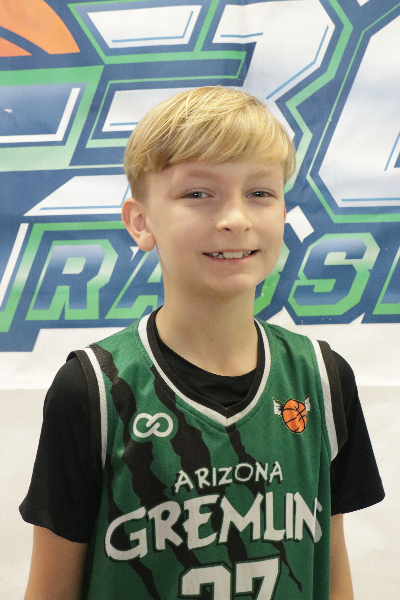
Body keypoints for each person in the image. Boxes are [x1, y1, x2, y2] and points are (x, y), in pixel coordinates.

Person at [21, 86, 384, 600]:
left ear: (284, 211)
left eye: (260, 193)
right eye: (198, 194)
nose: (235, 218)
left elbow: (331, 570)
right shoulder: (95, 390)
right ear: (141, 222)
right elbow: (50, 589)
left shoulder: (323, 380)